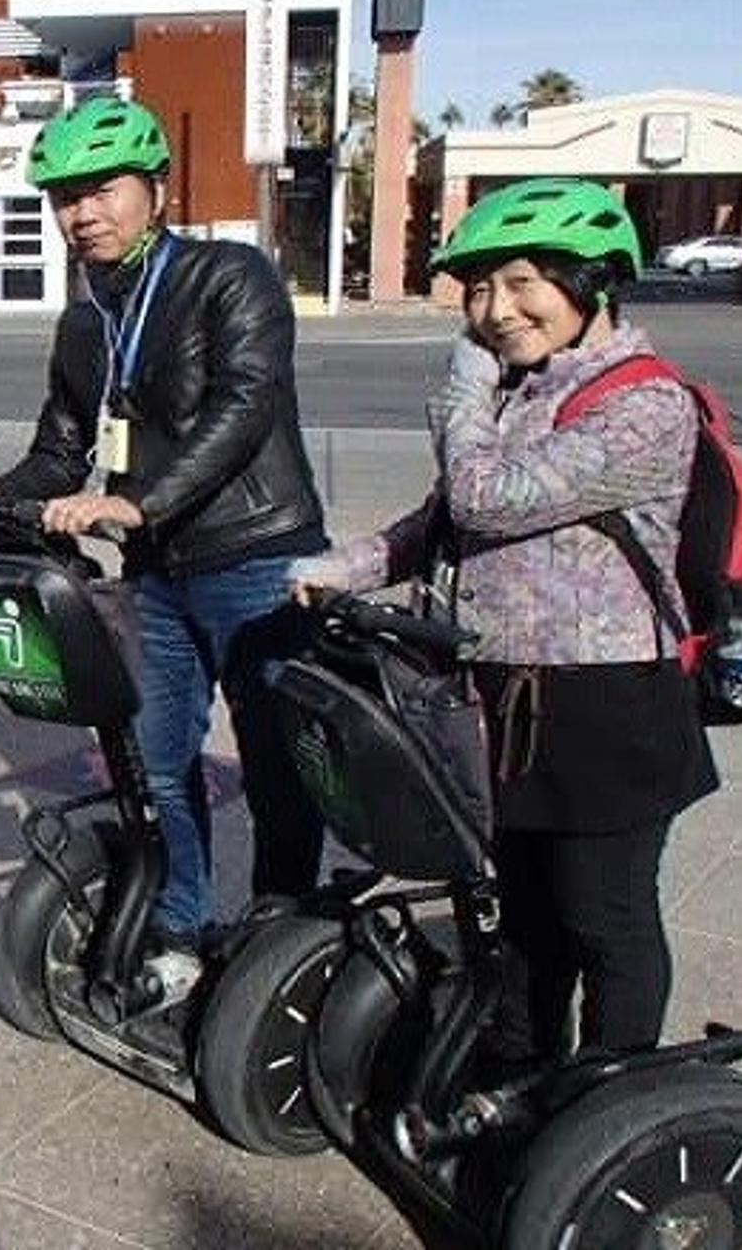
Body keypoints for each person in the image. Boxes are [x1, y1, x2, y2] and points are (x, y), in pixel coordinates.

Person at [295, 177, 718, 1069]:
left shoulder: (647, 404)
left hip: (606, 705)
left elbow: (491, 497)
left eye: (522, 282)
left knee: (605, 917)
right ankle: (519, 1078)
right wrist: (348, 566)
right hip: (502, 698)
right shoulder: (525, 390)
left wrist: (461, 387)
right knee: (522, 917)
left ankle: (610, 1096)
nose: (495, 311)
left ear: (592, 279)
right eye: (480, 290)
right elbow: (442, 519)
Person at [0, 97, 329, 1001]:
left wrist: (135, 501)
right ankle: (181, 924)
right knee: (154, 756)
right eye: (65, 196)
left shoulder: (232, 277)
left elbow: (243, 406)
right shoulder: (84, 322)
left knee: (276, 761)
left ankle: (284, 934)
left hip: (257, 555)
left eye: (102, 189)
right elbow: (61, 450)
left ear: (153, 188)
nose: (83, 213)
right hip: (160, 572)